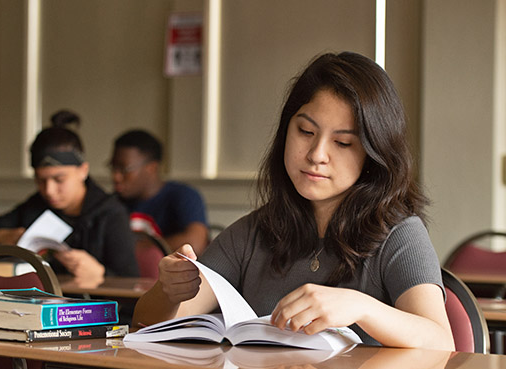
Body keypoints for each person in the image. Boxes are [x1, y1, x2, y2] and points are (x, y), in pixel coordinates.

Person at [132, 52, 455, 351]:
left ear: (373, 154)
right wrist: (167, 290)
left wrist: (361, 306)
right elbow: (146, 325)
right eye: (305, 131)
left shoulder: (399, 235)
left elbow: (442, 342)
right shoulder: (253, 232)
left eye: (342, 143)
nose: (316, 155)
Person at [0, 112, 139, 279]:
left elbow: (133, 284)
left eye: (59, 179)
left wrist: (100, 273)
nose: (49, 190)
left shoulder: (110, 214)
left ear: (83, 171)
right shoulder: (37, 205)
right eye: (40, 180)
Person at [109, 129, 209, 255]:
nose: (116, 176)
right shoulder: (111, 202)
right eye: (113, 168)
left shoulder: (183, 196)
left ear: (152, 168)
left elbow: (195, 243)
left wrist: (135, 248)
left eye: (124, 169)